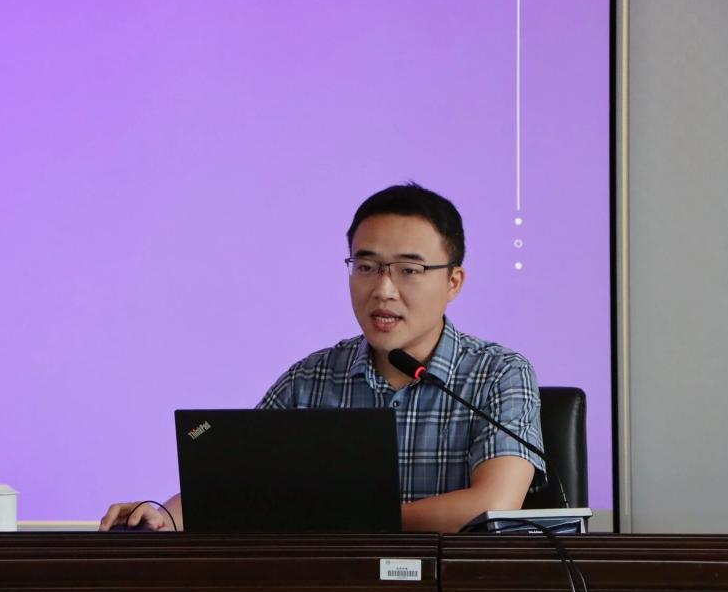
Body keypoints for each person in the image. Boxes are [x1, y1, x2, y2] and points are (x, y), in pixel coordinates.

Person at [100, 183, 545, 533]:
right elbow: (234, 484)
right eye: (366, 267)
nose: (383, 290)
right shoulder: (311, 380)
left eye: (409, 270)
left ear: (453, 282)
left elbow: (494, 504)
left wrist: (348, 517)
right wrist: (165, 516)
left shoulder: (497, 374)